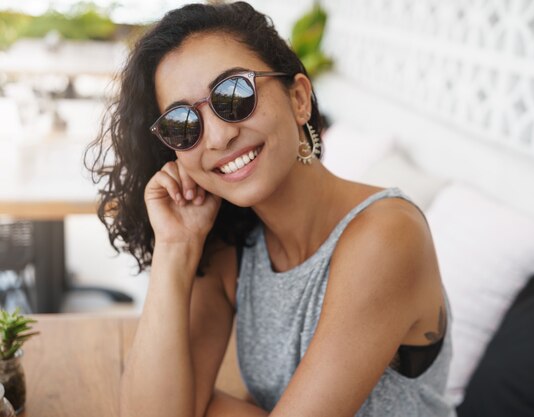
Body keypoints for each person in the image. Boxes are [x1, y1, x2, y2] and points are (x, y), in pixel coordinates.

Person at [86, 2, 455, 416]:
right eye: (183, 123)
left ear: (298, 98)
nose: (219, 137)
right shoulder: (232, 248)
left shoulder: (387, 234)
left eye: (234, 94)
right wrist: (176, 248)